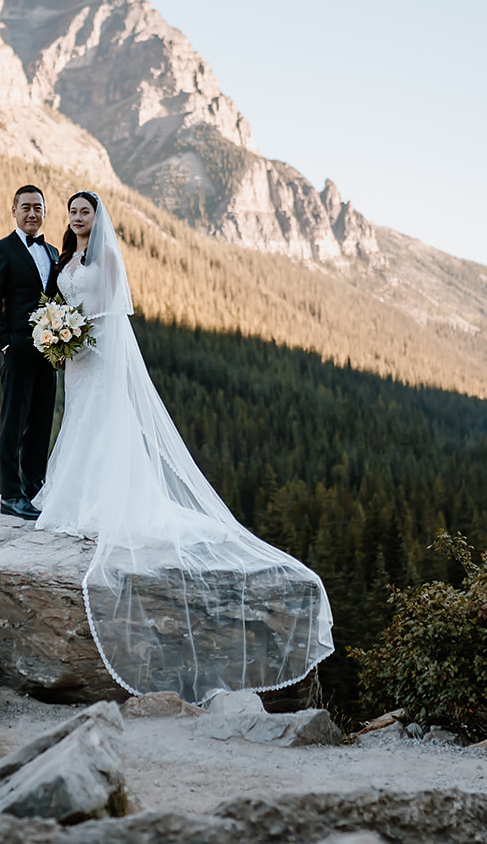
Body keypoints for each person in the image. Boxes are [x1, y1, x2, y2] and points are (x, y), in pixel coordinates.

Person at [33, 190, 334, 703]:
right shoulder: (67, 257)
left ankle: (101, 499)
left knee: (103, 425)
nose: (78, 218)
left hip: (98, 351)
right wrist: (56, 329)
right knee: (78, 422)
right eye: (73, 213)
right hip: (76, 358)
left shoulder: (104, 256)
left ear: (96, 217)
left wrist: (74, 329)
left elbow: (109, 310)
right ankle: (72, 492)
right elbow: (63, 298)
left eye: (85, 212)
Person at [0, 185, 58, 520]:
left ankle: (33, 488)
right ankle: (10, 496)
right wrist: (5, 344)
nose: (32, 213)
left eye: (37, 208)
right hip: (17, 351)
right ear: (13, 210)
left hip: (49, 353)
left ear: (44, 212)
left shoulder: (54, 252)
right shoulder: (2, 249)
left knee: (41, 425)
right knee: (13, 425)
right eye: (25, 207)